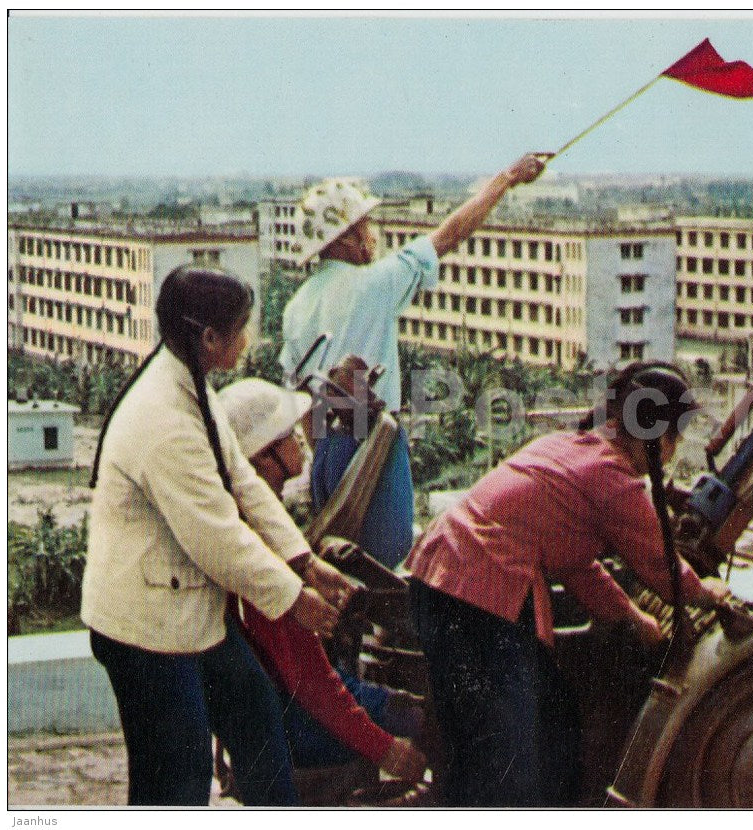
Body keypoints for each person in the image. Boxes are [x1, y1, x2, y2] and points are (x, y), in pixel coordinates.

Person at [82, 265, 356, 806]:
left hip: (189, 615)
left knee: (259, 735)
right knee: (175, 786)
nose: (248, 339)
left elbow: (242, 481)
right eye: (241, 327)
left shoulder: (191, 381)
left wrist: (303, 560)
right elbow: (218, 537)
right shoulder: (164, 420)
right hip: (146, 629)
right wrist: (294, 599)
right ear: (209, 337)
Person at [405, 362, 731, 807]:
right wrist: (708, 593)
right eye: (675, 437)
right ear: (654, 434)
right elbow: (661, 566)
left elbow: (576, 566)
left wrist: (632, 616)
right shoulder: (612, 477)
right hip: (478, 590)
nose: (674, 451)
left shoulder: (564, 446)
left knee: (518, 728)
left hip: (439, 576)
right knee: (517, 747)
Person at [279, 153, 548, 569]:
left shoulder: (296, 306)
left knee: (340, 566)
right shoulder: (374, 284)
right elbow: (450, 235)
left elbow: (298, 400)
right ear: (347, 237)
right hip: (373, 441)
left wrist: (325, 452)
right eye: (365, 226)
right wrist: (506, 179)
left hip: (326, 450)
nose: (372, 235)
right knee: (386, 567)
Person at [216, 378, 427, 787]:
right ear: (262, 458)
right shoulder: (263, 558)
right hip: (296, 725)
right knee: (420, 716)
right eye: (290, 435)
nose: (301, 440)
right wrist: (388, 748)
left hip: (269, 716)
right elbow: (313, 685)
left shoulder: (248, 529)